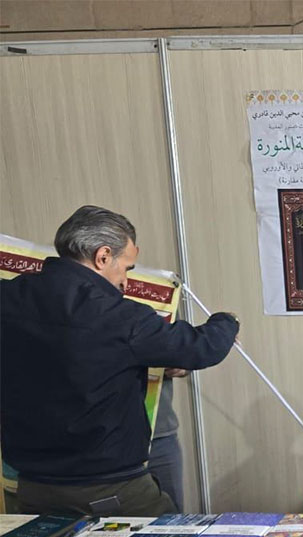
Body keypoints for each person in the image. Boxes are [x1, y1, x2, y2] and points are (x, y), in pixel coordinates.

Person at [0, 205, 239, 517]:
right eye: (127, 267)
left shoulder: (8, 297)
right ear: (102, 257)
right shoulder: (119, 316)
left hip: (31, 488)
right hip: (109, 489)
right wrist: (226, 321)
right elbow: (200, 348)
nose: (126, 281)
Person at [147, 369, 188, 513]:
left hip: (161, 435)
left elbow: (187, 353)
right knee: (117, 523)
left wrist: (183, 366)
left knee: (172, 519)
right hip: (111, 440)